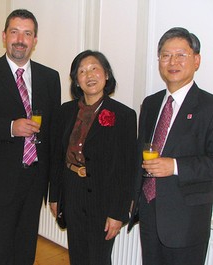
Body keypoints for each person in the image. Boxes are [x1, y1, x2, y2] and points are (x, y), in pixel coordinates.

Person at [0, 9, 61, 265]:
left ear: (35, 40)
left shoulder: (50, 78)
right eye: (14, 32)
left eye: (27, 33)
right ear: (4, 36)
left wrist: (54, 186)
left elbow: (52, 134)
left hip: (35, 178)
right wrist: (10, 127)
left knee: (26, 246)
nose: (20, 39)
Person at [128, 27, 213, 265]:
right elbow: (138, 155)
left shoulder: (209, 106)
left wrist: (174, 165)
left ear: (196, 60)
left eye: (180, 55)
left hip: (186, 219)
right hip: (149, 212)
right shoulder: (151, 103)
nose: (172, 61)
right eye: (165, 55)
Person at [49, 50, 137, 265]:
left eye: (94, 68)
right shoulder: (64, 112)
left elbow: (128, 169)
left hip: (104, 196)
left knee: (98, 258)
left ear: (106, 74)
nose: (89, 75)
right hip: (72, 191)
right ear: (76, 81)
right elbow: (56, 156)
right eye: (82, 71)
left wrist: (118, 212)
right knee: (77, 255)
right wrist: (54, 196)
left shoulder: (124, 115)